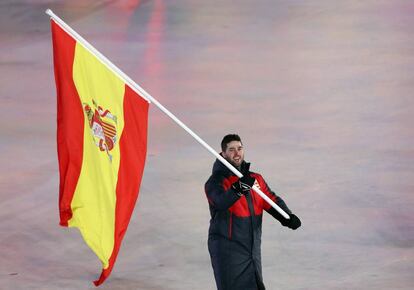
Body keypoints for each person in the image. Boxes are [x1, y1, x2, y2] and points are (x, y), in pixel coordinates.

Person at [205, 134, 301, 290]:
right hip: (228, 249)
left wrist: (287, 216)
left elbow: (270, 199)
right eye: (231, 150)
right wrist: (239, 188)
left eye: (240, 148)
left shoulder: (255, 179)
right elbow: (221, 201)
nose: (237, 153)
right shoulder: (216, 181)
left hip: (251, 248)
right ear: (223, 154)